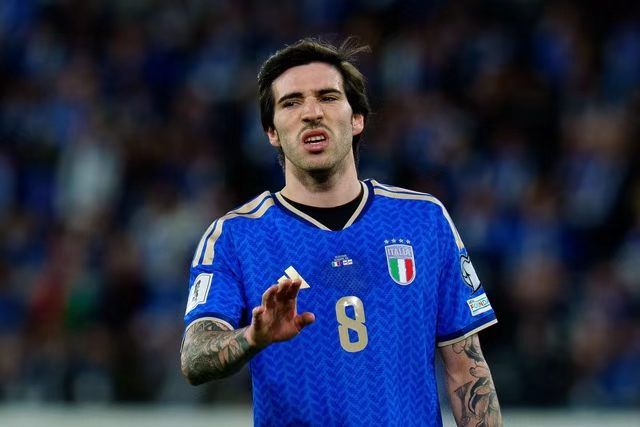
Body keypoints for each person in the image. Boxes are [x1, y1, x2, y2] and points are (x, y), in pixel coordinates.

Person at [181, 37, 503, 427]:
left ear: (357, 119)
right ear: (271, 132)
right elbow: (194, 356)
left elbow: (466, 369)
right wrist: (253, 336)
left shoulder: (423, 220)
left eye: (328, 97)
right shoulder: (235, 237)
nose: (311, 112)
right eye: (291, 102)